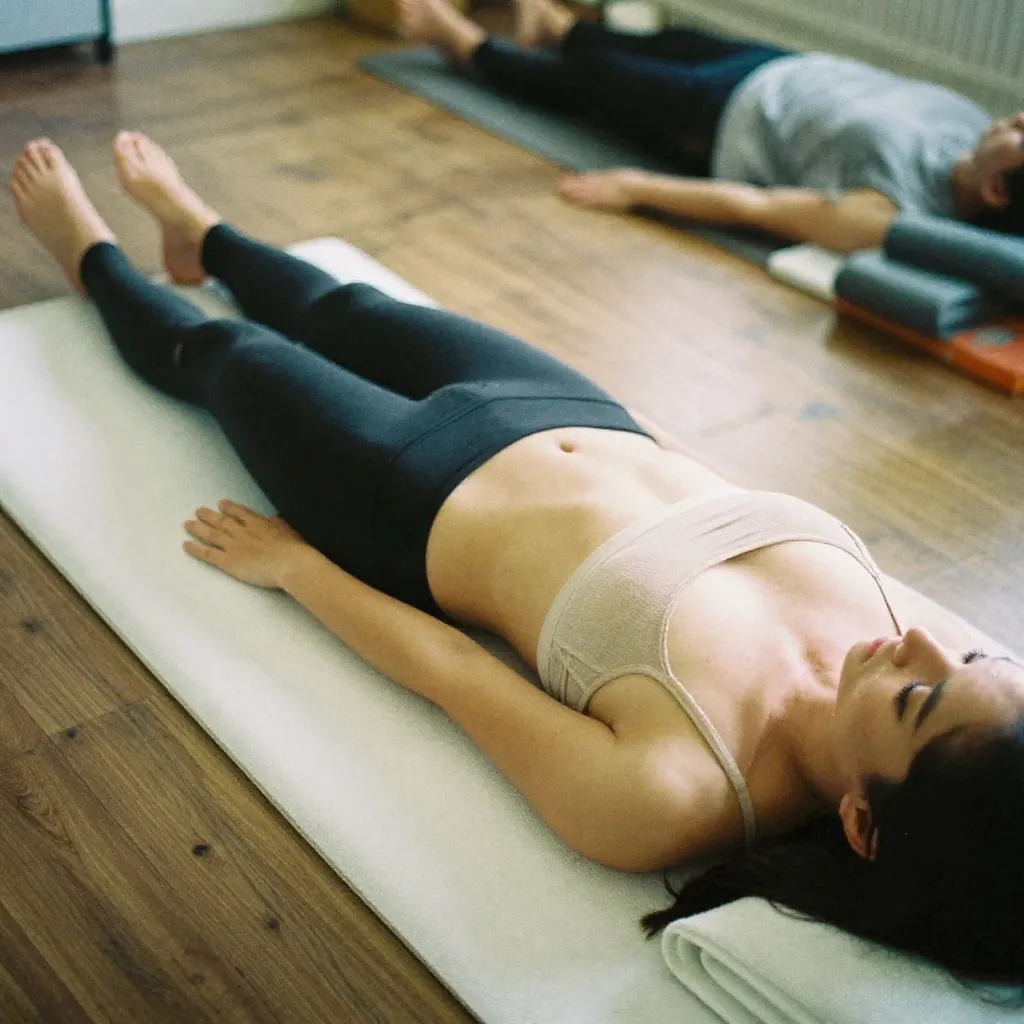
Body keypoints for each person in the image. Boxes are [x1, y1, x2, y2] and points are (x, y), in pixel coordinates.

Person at [11, 134, 1024, 986]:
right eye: (973, 663)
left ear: (861, 825)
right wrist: (631, 422)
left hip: (406, 490)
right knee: (344, 308)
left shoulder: (673, 793)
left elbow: (455, 675)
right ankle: (204, 234)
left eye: (916, 699)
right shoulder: (935, 680)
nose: (923, 638)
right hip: (573, 410)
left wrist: (296, 568)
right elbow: (712, 486)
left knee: (228, 359)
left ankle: (87, 251)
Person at [397, 0, 1024, 251]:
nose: (1017, 118)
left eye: (1023, 134)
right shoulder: (971, 126)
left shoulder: (891, 211)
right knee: (658, 40)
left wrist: (638, 188)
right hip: (781, 69)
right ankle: (556, 28)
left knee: (592, 86)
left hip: (723, 119)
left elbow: (758, 206)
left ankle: (454, 37)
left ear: (997, 190)